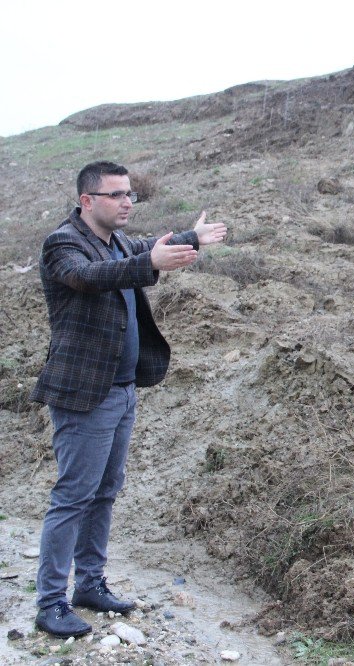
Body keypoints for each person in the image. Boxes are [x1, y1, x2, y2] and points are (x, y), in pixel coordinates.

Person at [29, 161, 227, 638]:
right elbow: (92, 276)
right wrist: (150, 264)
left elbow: (141, 249)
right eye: (116, 195)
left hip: (120, 390)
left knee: (104, 493)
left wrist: (190, 237)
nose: (127, 203)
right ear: (87, 201)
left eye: (130, 195)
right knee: (73, 496)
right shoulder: (64, 243)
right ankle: (50, 602)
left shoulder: (115, 239)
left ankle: (90, 584)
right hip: (85, 395)